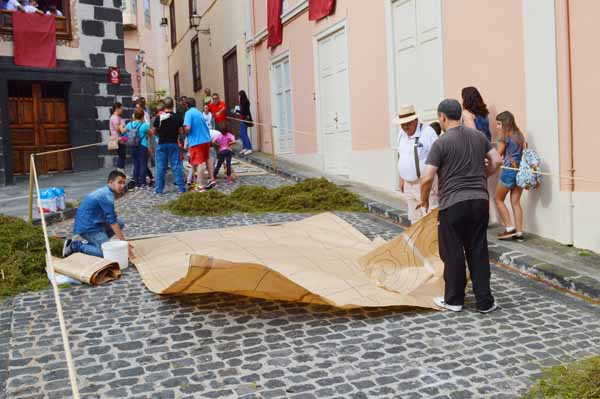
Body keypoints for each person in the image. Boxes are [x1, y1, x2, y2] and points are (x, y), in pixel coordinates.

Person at [418, 99, 502, 314]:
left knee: (453, 252)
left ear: (443, 118)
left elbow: (427, 177)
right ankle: (485, 302)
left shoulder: (441, 143)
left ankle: (454, 300)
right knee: (478, 249)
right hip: (480, 201)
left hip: (453, 203)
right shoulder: (479, 137)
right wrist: (483, 176)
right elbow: (496, 160)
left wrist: (424, 198)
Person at [62, 170, 134, 259]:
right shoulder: (106, 196)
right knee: (106, 253)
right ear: (111, 182)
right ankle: (75, 246)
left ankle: (97, 243)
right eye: (119, 182)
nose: (122, 186)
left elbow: (113, 219)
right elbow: (113, 223)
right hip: (87, 227)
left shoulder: (106, 191)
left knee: (121, 223)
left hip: (96, 223)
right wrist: (125, 244)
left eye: (123, 183)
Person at [394, 104, 439, 225]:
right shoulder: (401, 134)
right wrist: (401, 179)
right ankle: (418, 244)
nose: (405, 126)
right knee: (414, 219)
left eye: (408, 123)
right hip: (408, 184)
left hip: (424, 183)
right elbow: (400, 155)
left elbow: (439, 157)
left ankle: (432, 244)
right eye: (402, 124)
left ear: (416, 120)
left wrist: (438, 184)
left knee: (429, 218)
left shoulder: (428, 132)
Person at [495, 111, 526, 242]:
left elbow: (498, 155)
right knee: (516, 202)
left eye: (498, 123)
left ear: (505, 123)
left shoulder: (505, 136)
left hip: (509, 172)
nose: (497, 126)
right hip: (520, 172)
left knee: (498, 199)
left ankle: (509, 228)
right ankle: (519, 233)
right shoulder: (519, 135)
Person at [153, 97, 186, 194]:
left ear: (164, 106)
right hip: (173, 143)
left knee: (160, 167)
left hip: (162, 143)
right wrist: (181, 140)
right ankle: (181, 188)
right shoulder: (177, 117)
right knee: (176, 166)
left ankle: (159, 189)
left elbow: (154, 131)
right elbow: (181, 132)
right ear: (173, 105)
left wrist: (160, 134)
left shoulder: (159, 117)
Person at [184, 97, 216, 191]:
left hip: (196, 141)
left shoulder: (188, 113)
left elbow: (188, 128)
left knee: (199, 162)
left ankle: (200, 185)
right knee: (207, 159)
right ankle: (212, 179)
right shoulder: (198, 112)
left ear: (187, 105)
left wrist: (184, 131)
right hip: (206, 139)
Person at [126, 108, 150, 188]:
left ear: (134, 115)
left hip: (133, 145)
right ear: (143, 115)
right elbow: (150, 134)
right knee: (143, 164)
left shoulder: (129, 124)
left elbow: (123, 131)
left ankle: (136, 183)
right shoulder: (144, 125)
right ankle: (143, 182)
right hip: (143, 145)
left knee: (136, 164)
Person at [109, 102, 128, 174]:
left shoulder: (118, 117)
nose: (122, 110)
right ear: (117, 109)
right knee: (121, 155)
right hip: (118, 139)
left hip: (121, 139)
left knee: (122, 155)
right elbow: (117, 129)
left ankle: (121, 171)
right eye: (121, 109)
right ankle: (120, 172)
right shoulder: (114, 117)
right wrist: (124, 128)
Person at [237, 90, 253, 155]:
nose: (239, 97)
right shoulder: (244, 101)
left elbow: (244, 112)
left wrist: (237, 111)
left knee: (244, 134)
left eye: (239, 95)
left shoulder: (244, 102)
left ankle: (249, 148)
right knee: (242, 134)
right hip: (242, 119)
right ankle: (245, 147)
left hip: (244, 119)